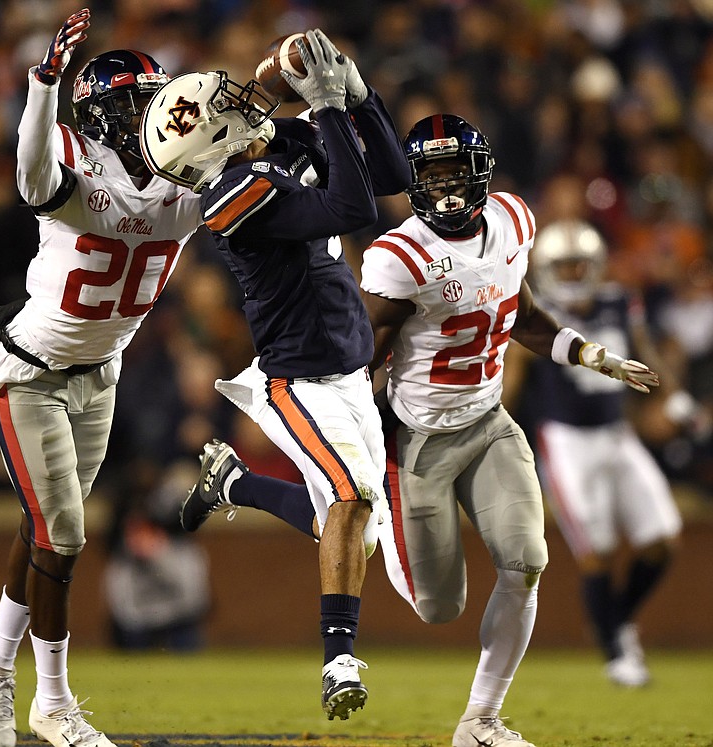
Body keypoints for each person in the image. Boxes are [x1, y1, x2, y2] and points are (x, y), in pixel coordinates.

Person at [359, 115, 659, 747]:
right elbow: (366, 355)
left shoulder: (514, 221)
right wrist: (350, 438)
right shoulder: (398, 256)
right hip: (417, 443)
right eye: (430, 175)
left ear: (480, 171)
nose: (443, 188)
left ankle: (479, 721)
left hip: (490, 424)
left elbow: (516, 310)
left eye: (453, 171)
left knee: (526, 563)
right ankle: (380, 520)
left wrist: (588, 353)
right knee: (438, 608)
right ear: (413, 182)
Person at [140, 30, 410, 720]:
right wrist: (325, 109)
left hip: (348, 371)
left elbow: (389, 177)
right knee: (348, 498)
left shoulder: (271, 149)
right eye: (221, 105)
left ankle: (233, 482)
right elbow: (353, 210)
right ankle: (338, 661)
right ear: (208, 145)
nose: (239, 100)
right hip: (295, 381)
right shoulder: (230, 194)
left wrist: (358, 97)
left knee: (356, 527)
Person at [0, 9, 202, 747]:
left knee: (43, 525)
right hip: (30, 375)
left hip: (101, 373)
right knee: (63, 533)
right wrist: (44, 83)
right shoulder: (69, 156)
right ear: (93, 117)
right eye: (124, 106)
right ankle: (54, 701)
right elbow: (33, 176)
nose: (140, 118)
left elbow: (250, 175)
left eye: (147, 102)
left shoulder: (187, 178)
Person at [503, 219, 692, 687]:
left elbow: (645, 351)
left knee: (663, 538)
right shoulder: (535, 314)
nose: (570, 274)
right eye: (562, 266)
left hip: (617, 432)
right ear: (545, 270)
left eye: (578, 265)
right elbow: (509, 387)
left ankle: (615, 620)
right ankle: (615, 652)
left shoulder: (616, 301)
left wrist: (675, 399)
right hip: (565, 440)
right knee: (598, 551)